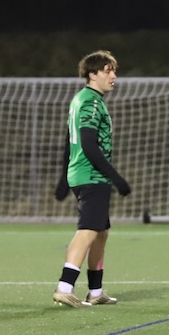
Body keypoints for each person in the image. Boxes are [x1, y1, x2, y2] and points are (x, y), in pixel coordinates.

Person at [51, 50, 132, 307]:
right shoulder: (91, 102)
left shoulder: (81, 100)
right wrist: (115, 177)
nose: (113, 76)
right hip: (91, 175)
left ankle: (95, 292)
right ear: (92, 74)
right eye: (108, 71)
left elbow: (69, 140)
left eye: (114, 71)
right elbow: (87, 144)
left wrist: (63, 179)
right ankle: (64, 287)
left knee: (100, 233)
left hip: (83, 174)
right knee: (87, 231)